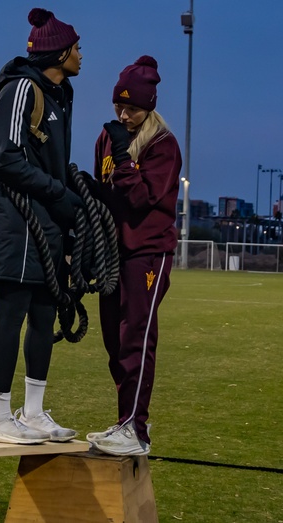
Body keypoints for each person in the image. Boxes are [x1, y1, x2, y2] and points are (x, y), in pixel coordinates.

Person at [0, 8, 84, 445]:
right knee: (11, 314)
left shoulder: (59, 94)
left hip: (44, 222)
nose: (81, 54)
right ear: (59, 52)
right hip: (12, 221)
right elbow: (2, 155)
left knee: (43, 315)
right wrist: (58, 193)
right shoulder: (23, 87)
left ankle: (32, 413)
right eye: (77, 47)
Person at [87, 56, 181, 456]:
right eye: (118, 107)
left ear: (149, 107)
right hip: (114, 253)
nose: (123, 115)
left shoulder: (163, 145)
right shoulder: (106, 138)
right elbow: (104, 194)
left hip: (148, 252)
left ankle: (136, 429)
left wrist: (125, 157)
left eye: (132, 109)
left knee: (136, 339)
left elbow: (141, 199)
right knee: (113, 340)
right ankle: (124, 421)